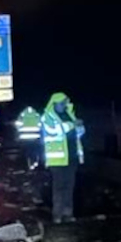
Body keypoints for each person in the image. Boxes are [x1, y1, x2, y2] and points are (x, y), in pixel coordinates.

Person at [41, 92, 85, 224]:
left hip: (71, 158)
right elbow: (55, 130)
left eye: (65, 103)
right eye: (61, 103)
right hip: (57, 160)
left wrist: (80, 126)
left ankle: (68, 213)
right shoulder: (47, 117)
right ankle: (57, 215)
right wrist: (72, 124)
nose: (64, 106)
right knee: (59, 188)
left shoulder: (69, 115)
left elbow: (79, 133)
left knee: (69, 187)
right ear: (54, 104)